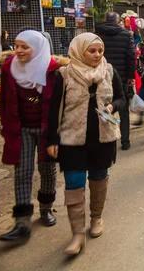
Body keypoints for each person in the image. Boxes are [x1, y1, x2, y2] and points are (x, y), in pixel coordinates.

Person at [46, 33, 125, 255]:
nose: (97, 55)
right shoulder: (64, 74)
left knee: (99, 177)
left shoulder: (109, 71)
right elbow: (54, 109)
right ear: (80, 50)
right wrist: (52, 139)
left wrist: (112, 107)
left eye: (100, 51)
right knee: (74, 183)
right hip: (72, 139)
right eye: (92, 51)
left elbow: (122, 98)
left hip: (102, 138)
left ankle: (97, 218)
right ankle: (77, 233)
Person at [0, 31, 60, 242]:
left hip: (46, 130)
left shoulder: (53, 70)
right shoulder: (9, 69)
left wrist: (57, 133)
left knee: (47, 170)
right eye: (16, 45)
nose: (19, 50)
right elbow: (5, 99)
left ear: (38, 48)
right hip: (20, 130)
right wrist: (5, 125)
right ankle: (22, 222)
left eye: (25, 46)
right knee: (22, 171)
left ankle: (46, 208)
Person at [95, 12, 135, 151]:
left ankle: (106, 137)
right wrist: (131, 77)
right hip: (122, 77)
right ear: (118, 21)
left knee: (104, 106)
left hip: (102, 76)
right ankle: (125, 141)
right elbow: (131, 57)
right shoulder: (126, 35)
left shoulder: (97, 34)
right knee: (123, 108)